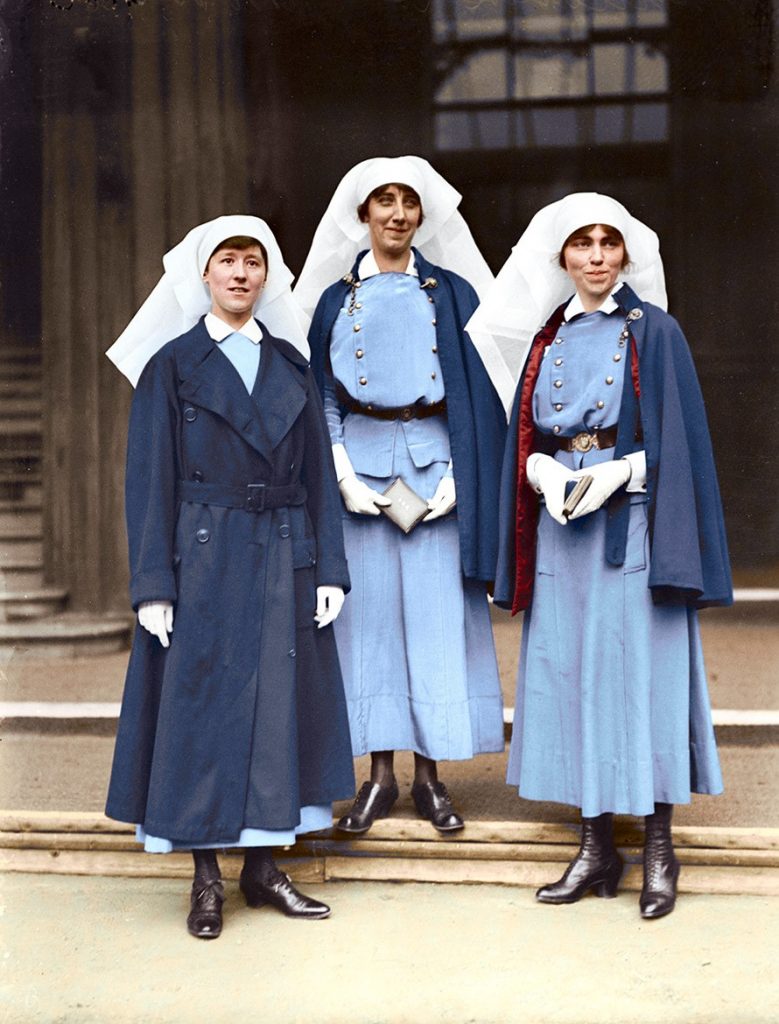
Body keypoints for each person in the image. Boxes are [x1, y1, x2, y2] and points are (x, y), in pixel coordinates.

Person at [469, 193, 732, 919]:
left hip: (631, 525)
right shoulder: (545, 337)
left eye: (606, 243)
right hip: (563, 528)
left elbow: (677, 443)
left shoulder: (655, 331)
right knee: (572, 675)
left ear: (625, 255)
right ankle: (593, 847)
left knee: (639, 678)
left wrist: (622, 471)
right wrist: (541, 473)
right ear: (560, 257)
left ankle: (656, 849)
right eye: (580, 244)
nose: (594, 256)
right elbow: (524, 439)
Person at [105, 216, 355, 939]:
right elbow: (147, 482)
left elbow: (317, 480)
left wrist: (328, 568)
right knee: (205, 707)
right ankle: (206, 877)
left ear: (267, 277)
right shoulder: (172, 366)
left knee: (278, 707)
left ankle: (265, 866)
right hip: (203, 557)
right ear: (203, 276)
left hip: (283, 548)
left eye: (254, 262)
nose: (242, 274)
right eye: (227, 262)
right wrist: (153, 581)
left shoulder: (291, 364)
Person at [294, 156, 508, 836]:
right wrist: (340, 472)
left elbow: (478, 395)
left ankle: (430, 777)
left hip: (433, 463)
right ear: (361, 215)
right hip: (360, 466)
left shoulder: (451, 292)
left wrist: (456, 478)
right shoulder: (334, 298)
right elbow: (320, 391)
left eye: (407, 202)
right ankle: (378, 777)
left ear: (422, 215)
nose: (395, 213)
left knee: (436, 620)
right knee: (369, 624)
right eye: (381, 201)